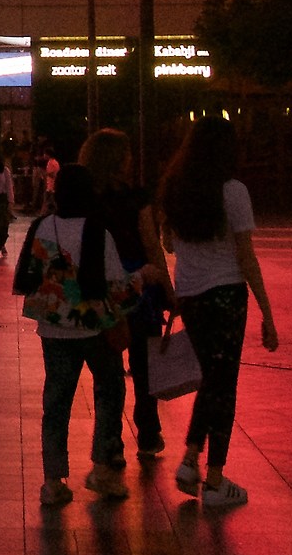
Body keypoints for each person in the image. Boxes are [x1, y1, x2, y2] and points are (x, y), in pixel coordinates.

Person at [161, 118, 278, 508]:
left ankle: (191, 459)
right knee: (223, 384)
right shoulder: (233, 191)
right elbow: (246, 256)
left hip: (190, 295)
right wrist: (267, 313)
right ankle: (213, 478)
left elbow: (169, 245)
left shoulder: (175, 189)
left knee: (211, 379)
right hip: (227, 293)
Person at [18, 163, 141, 506]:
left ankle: (53, 479)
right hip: (94, 328)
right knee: (109, 391)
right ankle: (102, 466)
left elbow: (30, 273)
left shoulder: (42, 226)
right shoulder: (97, 230)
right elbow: (116, 285)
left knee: (56, 402)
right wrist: (143, 279)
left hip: (53, 329)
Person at [85, 127, 168, 459]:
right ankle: (147, 433)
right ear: (117, 159)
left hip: (104, 284)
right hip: (141, 285)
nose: (132, 159)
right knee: (145, 364)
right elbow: (151, 243)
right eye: (127, 153)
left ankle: (112, 442)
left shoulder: (89, 198)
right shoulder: (137, 197)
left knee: (108, 368)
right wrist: (167, 289)